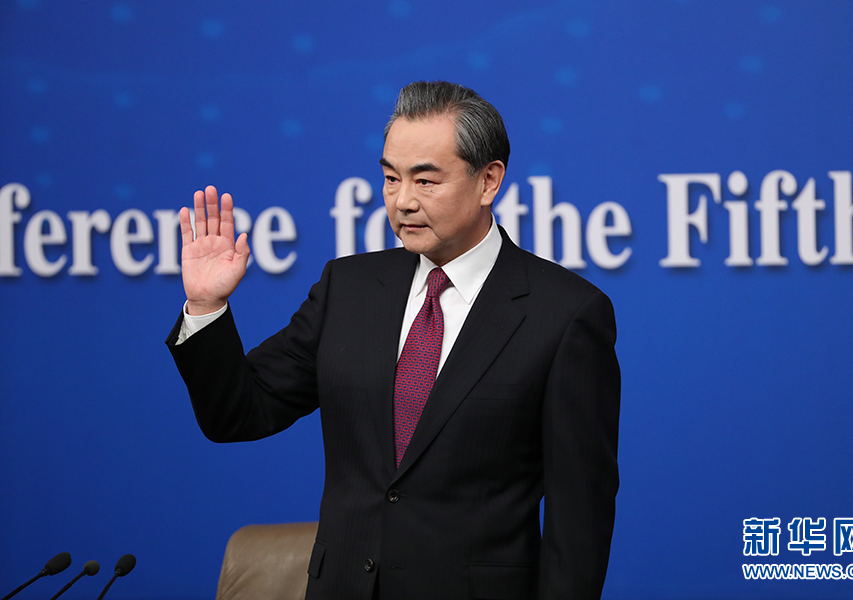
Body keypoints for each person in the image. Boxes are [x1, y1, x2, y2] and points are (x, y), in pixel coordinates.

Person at [167, 81, 620, 600]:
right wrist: (206, 307)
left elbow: (579, 515)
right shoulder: (348, 288)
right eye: (390, 178)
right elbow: (238, 414)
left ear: (488, 180)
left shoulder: (564, 314)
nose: (402, 201)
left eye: (425, 181)